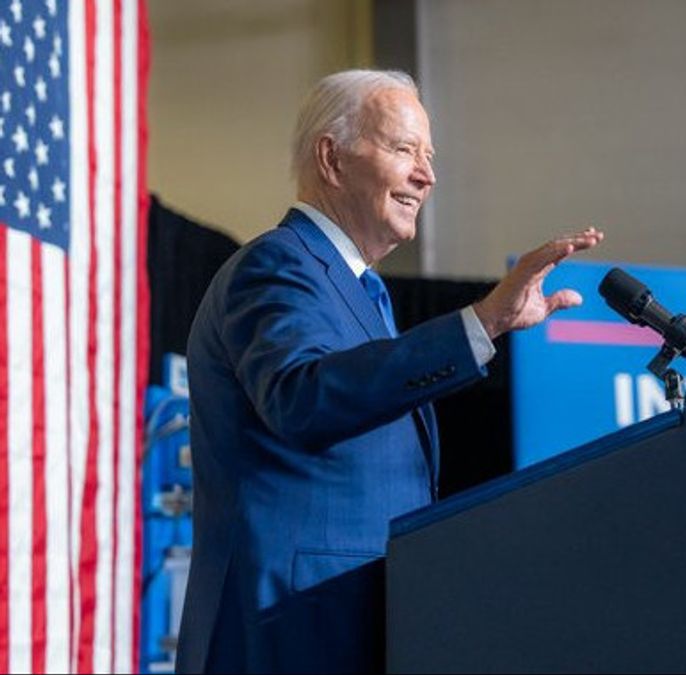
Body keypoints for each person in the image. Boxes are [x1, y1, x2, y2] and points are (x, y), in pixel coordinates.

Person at [175, 69, 604, 674]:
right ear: (332, 159)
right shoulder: (276, 266)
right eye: (405, 150)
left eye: (428, 156)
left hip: (348, 621)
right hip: (287, 628)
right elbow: (302, 398)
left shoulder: (365, 292)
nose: (427, 176)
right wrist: (479, 324)